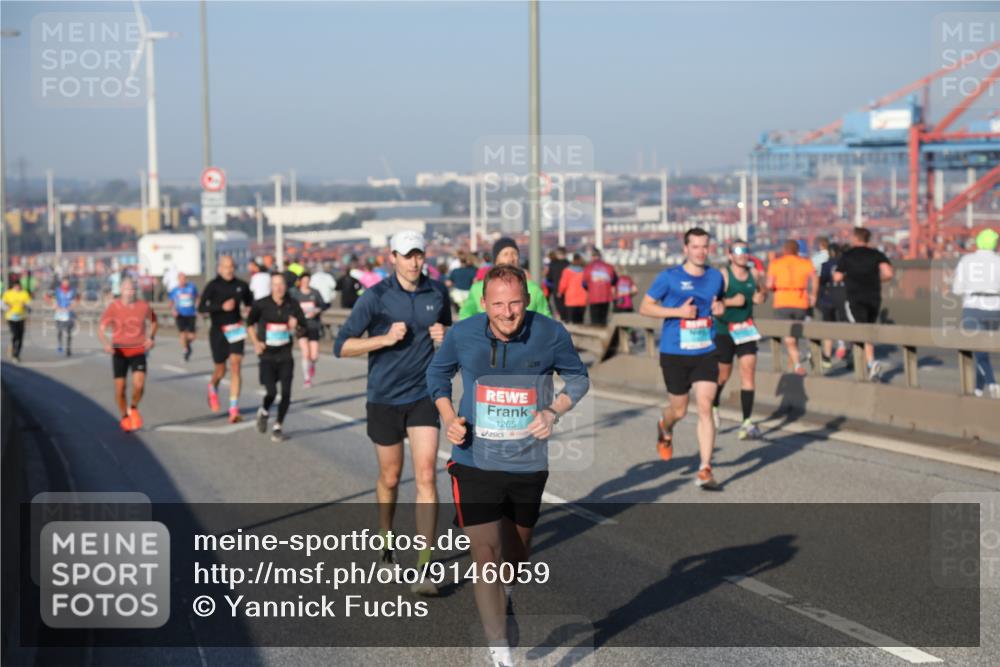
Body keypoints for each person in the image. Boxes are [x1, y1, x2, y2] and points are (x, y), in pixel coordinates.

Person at [426, 264, 590, 667]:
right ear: (483, 304)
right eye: (498, 304)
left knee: (515, 557)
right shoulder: (463, 334)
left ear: (527, 300)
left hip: (527, 463)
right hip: (472, 459)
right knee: (484, 554)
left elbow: (578, 378)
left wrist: (553, 411)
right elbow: (437, 374)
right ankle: (501, 652)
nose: (508, 312)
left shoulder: (549, 333)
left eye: (515, 302)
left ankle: (509, 593)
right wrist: (449, 416)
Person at [333, 230, 452, 595]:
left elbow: (451, 336)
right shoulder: (376, 297)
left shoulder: (437, 293)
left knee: (427, 477)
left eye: (419, 254)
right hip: (384, 397)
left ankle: (425, 566)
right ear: (393, 258)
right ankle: (386, 539)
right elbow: (342, 346)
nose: (415, 261)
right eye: (407, 255)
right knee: (389, 476)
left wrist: (446, 337)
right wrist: (383, 339)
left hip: (423, 395)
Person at [639, 227, 725, 489]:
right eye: (695, 246)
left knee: (706, 406)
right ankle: (665, 427)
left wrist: (720, 308)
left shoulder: (716, 277)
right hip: (675, 352)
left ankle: (705, 468)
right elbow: (645, 307)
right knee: (679, 409)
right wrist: (677, 311)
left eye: (705, 246)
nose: (701, 251)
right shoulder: (669, 277)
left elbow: (717, 303)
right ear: (685, 249)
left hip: (705, 351)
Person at [712, 240, 766, 439]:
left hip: (746, 330)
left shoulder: (754, 274)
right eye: (738, 251)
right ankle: (714, 404)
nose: (743, 254)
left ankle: (747, 422)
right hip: (724, 331)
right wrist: (731, 301)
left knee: (748, 372)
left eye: (745, 250)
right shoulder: (724, 276)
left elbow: (762, 291)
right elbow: (713, 302)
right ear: (730, 255)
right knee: (723, 375)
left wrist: (761, 297)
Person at [248, 272, 306, 441]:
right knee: (271, 392)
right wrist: (256, 343)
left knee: (286, 393)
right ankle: (264, 411)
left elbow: (303, 328)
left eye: (281, 284)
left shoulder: (293, 305)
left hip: (285, 354)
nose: (279, 288)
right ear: (271, 287)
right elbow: (249, 323)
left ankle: (278, 426)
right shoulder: (261, 304)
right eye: (275, 284)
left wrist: (296, 327)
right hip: (267, 355)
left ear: (285, 286)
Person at [97, 277, 158, 432]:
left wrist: (151, 338)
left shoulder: (143, 306)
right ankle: (124, 416)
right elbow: (101, 329)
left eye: (132, 289)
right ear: (121, 290)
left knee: (139, 385)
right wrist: (106, 344)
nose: (130, 292)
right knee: (120, 388)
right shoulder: (113, 307)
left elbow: (154, 321)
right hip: (119, 351)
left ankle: (133, 407)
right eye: (126, 289)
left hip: (138, 350)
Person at [834, 227, 894, 382]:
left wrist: (849, 277)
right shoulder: (876, 254)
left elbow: (837, 277)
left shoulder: (848, 255)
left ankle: (868, 362)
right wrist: (876, 280)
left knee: (858, 329)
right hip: (874, 297)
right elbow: (888, 273)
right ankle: (866, 361)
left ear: (855, 239)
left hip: (855, 297)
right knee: (868, 328)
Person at [199, 256, 254, 422]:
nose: (229, 270)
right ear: (219, 268)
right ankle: (212, 386)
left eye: (231, 266)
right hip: (217, 331)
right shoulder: (213, 285)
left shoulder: (241, 286)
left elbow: (250, 304)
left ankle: (233, 409)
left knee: (236, 365)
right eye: (225, 267)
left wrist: (248, 311)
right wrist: (220, 307)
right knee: (220, 370)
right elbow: (201, 307)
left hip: (235, 329)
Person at [952, 228, 1000, 398]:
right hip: (995, 309)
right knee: (983, 349)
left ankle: (993, 383)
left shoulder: (966, 260)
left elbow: (957, 289)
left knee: (978, 348)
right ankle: (978, 390)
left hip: (973, 307)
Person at [459, 238, 551, 320]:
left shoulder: (533, 288)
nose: (511, 258)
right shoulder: (478, 288)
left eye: (514, 254)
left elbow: (546, 318)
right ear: (496, 260)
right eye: (505, 254)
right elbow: (465, 315)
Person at [766, 240, 817, 376]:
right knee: (796, 334)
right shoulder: (805, 262)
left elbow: (769, 284)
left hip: (782, 301)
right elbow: (814, 278)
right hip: (801, 301)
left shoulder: (776, 263)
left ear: (784, 250)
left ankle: (797, 363)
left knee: (788, 336)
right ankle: (794, 362)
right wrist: (813, 295)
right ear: (797, 250)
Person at [289, 272, 330, 388]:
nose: (306, 282)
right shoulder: (295, 294)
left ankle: (312, 365)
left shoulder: (315, 293)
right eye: (304, 280)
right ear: (300, 281)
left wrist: (316, 310)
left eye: (308, 280)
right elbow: (290, 307)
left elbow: (324, 305)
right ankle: (307, 379)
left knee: (314, 355)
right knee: (305, 353)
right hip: (301, 326)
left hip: (314, 325)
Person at [817, 244, 847, 368]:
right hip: (843, 298)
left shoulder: (825, 265)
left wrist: (819, 298)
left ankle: (827, 356)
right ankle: (845, 348)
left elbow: (821, 282)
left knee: (828, 327)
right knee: (844, 324)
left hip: (828, 298)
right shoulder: (845, 264)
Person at [582, 248, 617, 326]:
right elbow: (614, 281)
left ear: (592, 256)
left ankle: (596, 337)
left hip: (593, 297)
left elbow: (584, 284)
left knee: (594, 321)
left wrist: (589, 288)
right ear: (600, 256)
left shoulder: (588, 268)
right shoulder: (609, 267)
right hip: (606, 297)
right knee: (603, 320)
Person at [168, 272, 198, 362]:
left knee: (192, 336)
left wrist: (197, 307)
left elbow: (197, 298)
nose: (182, 281)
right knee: (182, 333)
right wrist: (173, 310)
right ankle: (185, 350)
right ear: (178, 280)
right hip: (180, 314)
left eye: (184, 278)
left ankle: (187, 344)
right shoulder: (175, 290)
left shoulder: (192, 287)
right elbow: (171, 302)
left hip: (191, 314)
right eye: (181, 279)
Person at [2, 278, 31, 362]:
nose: (17, 288)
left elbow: (29, 304)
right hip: (11, 317)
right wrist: (7, 307)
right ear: (13, 286)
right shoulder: (8, 293)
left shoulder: (24, 293)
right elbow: (2, 304)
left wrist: (25, 305)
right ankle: (13, 352)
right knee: (15, 334)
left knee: (21, 337)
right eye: (16, 286)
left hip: (21, 317)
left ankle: (17, 354)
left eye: (18, 286)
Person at [47, 277, 78, 356]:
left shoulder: (72, 290)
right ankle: (60, 344)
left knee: (69, 332)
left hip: (68, 313)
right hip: (59, 313)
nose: (66, 283)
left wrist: (72, 306)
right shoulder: (57, 290)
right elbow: (48, 297)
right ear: (62, 282)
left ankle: (68, 349)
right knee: (60, 330)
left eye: (67, 282)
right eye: (64, 282)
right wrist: (54, 305)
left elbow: (77, 299)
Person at [557, 254, 588, 324]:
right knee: (580, 321)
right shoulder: (584, 271)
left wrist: (560, 292)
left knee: (571, 322)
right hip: (582, 299)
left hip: (570, 299)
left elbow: (563, 284)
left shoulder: (567, 271)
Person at [545, 247, 570, 320]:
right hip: (568, 290)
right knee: (567, 308)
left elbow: (549, 277)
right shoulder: (568, 264)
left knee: (559, 308)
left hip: (556, 289)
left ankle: (563, 321)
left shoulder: (553, 264)